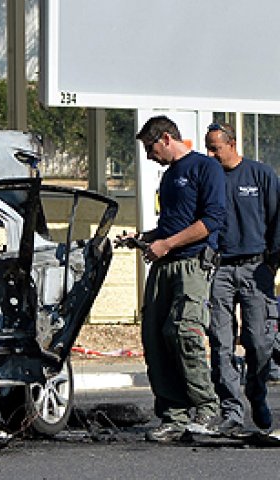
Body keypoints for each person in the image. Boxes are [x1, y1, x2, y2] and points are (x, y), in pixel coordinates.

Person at [120, 115, 226, 442]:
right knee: (154, 336)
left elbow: (211, 220)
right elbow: (170, 227)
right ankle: (174, 416)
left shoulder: (204, 168)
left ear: (166, 138)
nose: (150, 156)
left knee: (184, 332)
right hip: (163, 266)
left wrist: (166, 244)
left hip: (192, 264)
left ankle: (208, 410)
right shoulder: (168, 177)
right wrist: (143, 237)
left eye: (151, 148)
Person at [204, 122, 280, 435]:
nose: (210, 153)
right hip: (221, 269)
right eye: (208, 148)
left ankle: (257, 394)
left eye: (215, 148)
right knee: (221, 343)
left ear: (231, 144)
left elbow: (277, 220)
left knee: (258, 342)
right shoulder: (210, 177)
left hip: (256, 268)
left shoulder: (261, 174)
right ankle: (231, 410)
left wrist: (271, 265)